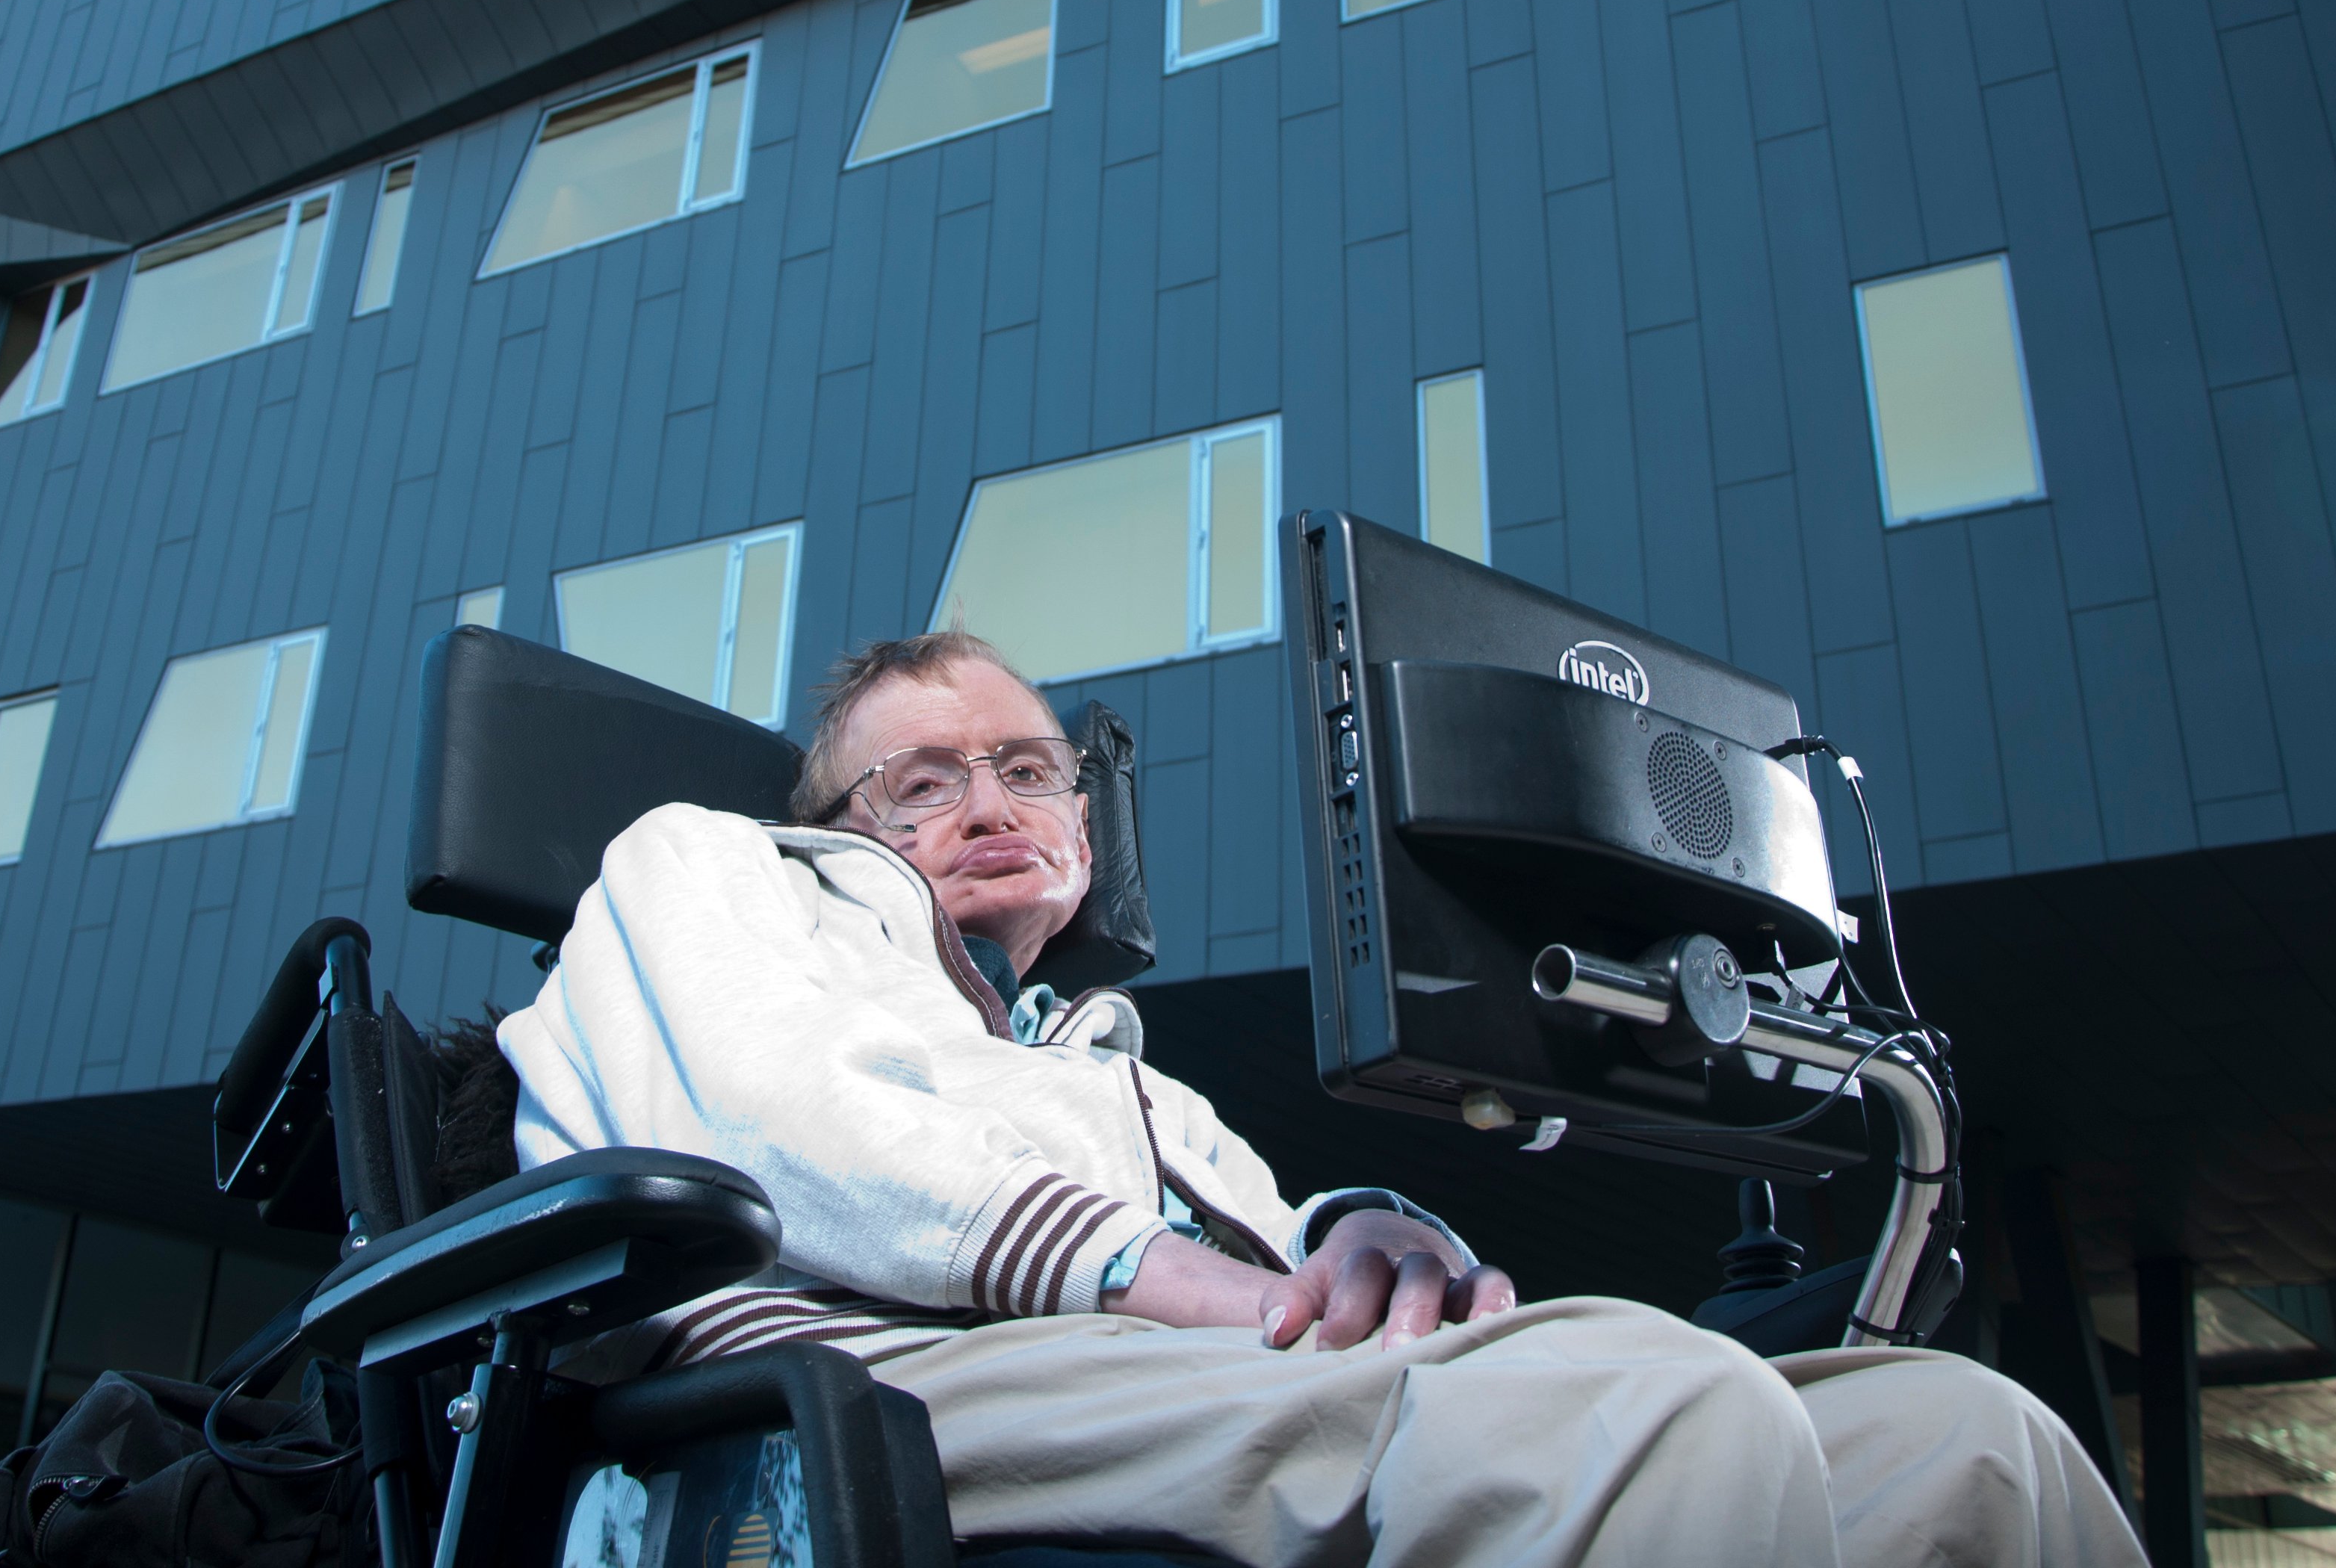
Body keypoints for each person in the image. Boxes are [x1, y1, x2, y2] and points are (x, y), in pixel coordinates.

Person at [495, 631, 2144, 1567]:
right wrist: (1221, 1289)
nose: (988, 798)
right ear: (837, 819)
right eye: (921, 778)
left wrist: (1365, 1231)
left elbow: (1276, 1236)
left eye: (1026, 765)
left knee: (1963, 1436)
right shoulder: (710, 867)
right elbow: (800, 1126)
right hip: (861, 1374)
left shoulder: (1109, 1070)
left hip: (1152, 1369)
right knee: (1647, 1402)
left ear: (1082, 822)